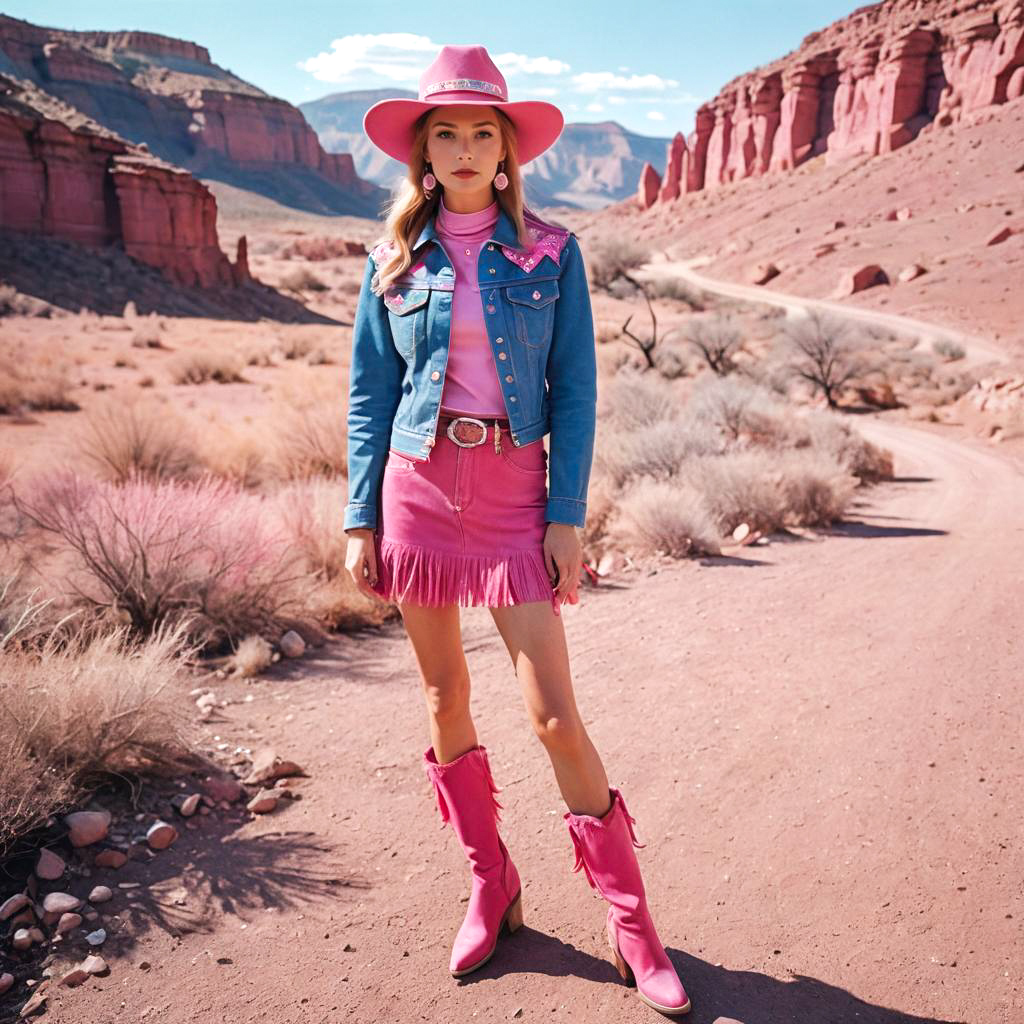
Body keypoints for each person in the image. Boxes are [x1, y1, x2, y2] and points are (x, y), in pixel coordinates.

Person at [343, 44, 691, 1017]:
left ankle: (631, 921)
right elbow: (371, 395)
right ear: (422, 152)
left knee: (551, 714)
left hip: (512, 491)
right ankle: (491, 884)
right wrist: (358, 513)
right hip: (416, 488)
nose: (461, 148)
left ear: (505, 151)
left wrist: (565, 515)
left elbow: (574, 390)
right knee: (445, 695)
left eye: (478, 132)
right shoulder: (392, 259)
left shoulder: (551, 250)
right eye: (443, 133)